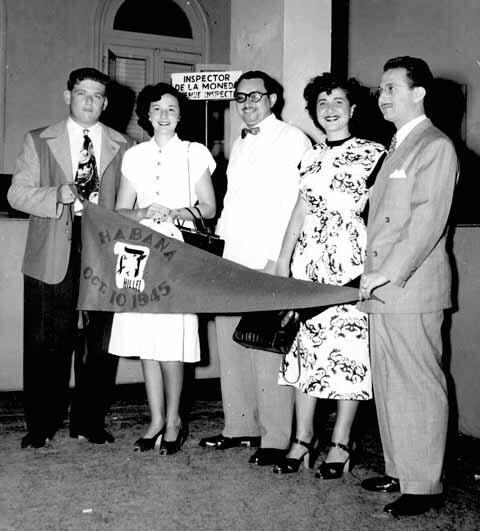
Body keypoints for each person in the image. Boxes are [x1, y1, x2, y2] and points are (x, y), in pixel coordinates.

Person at [8, 67, 133, 448]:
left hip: (104, 247)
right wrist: (54, 196)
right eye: (82, 94)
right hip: (52, 247)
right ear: (68, 97)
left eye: (97, 96)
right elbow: (16, 194)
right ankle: (41, 425)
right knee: (47, 340)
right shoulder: (38, 140)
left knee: (99, 340)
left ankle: (89, 422)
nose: (89, 101)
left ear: (106, 103)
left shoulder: (123, 144)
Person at [359, 56, 458, 517]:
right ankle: (401, 469)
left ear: (419, 93)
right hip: (382, 287)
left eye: (392, 88)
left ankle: (424, 485)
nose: (383, 96)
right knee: (390, 382)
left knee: (416, 383)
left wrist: (388, 271)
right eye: (381, 89)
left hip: (409, 285)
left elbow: (425, 222)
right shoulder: (398, 146)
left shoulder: (434, 145)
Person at [272, 74, 385, 476]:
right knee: (305, 351)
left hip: (352, 265)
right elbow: (299, 213)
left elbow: (382, 215)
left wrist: (373, 266)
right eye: (322, 102)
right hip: (308, 265)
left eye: (339, 101)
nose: (330, 108)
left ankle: (341, 442)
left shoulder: (375, 154)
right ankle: (302, 439)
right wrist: (283, 262)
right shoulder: (310, 157)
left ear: (353, 109)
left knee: (347, 355)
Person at [199, 70, 311, 466]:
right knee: (233, 346)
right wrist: (221, 251)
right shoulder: (240, 144)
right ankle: (240, 426)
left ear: (274, 100)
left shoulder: (293, 139)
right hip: (234, 256)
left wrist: (276, 259)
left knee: (266, 347)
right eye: (240, 98)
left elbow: (297, 204)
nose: (247, 104)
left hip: (268, 259)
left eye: (255, 97)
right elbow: (232, 203)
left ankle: (276, 437)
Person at [108, 83, 216, 455]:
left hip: (177, 252)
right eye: (157, 109)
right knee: (146, 342)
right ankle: (154, 419)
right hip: (139, 253)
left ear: (180, 114)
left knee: (172, 340)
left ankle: (174, 421)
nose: (165, 115)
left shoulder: (193, 153)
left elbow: (209, 206)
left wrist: (175, 212)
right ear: (148, 115)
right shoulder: (134, 156)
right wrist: (142, 212)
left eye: (171, 108)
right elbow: (121, 210)